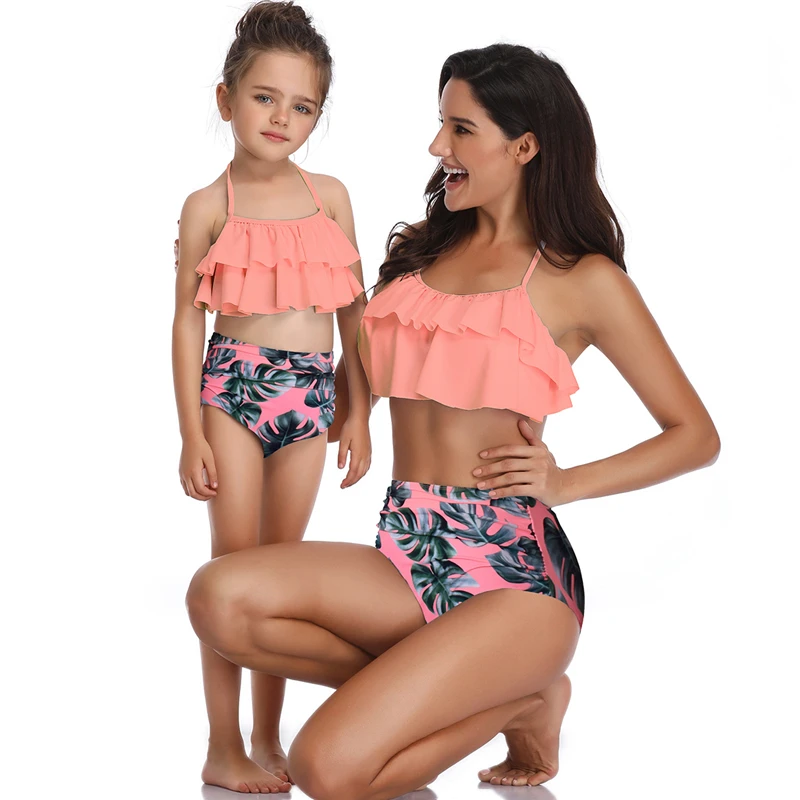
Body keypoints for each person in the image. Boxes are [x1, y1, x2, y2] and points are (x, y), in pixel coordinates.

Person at [186, 43, 720, 798]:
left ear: (524, 146)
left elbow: (696, 436)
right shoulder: (417, 260)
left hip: (514, 581)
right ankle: (481, 694)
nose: (438, 146)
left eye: (461, 129)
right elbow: (348, 385)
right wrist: (238, 368)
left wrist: (565, 483)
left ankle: (526, 697)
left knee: (325, 767)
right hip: (405, 552)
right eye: (441, 124)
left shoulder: (582, 280)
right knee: (218, 597)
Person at [172, 1, 371, 793]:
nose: (283, 118)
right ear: (226, 99)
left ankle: (266, 733)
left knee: (279, 579)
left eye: (303, 106)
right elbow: (186, 324)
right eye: (265, 97)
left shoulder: (331, 197)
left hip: (310, 397)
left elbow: (355, 313)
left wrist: (361, 409)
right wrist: (191, 433)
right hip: (233, 391)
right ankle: (222, 744)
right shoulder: (208, 205)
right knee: (233, 572)